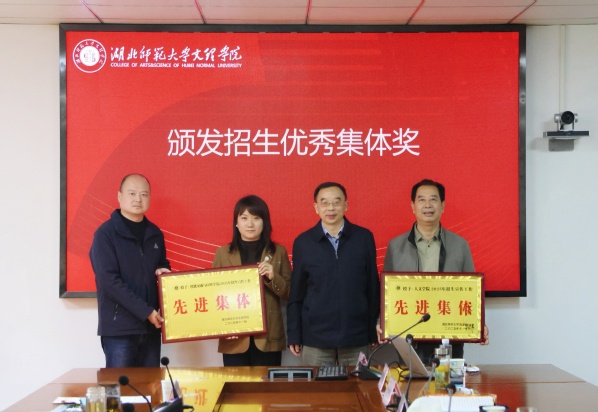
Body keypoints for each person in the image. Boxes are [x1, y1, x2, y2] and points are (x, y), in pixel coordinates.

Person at [382, 179, 489, 364]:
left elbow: (471, 292)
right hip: (409, 334)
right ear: (413, 206)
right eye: (421, 200)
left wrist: (479, 324)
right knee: (411, 381)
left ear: (443, 206)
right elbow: (387, 292)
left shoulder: (460, 244)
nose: (428, 205)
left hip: (449, 335)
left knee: (447, 381)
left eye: (433, 199)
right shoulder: (395, 246)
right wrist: (382, 322)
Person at [287, 182, 380, 366]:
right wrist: (294, 334)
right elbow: (296, 294)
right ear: (316, 207)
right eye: (324, 202)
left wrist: (372, 331)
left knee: (358, 384)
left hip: (356, 337)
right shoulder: (303, 242)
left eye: (336, 202)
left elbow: (372, 288)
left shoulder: (363, 238)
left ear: (346, 205)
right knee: (317, 386)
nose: (331, 208)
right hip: (316, 339)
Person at [89, 174, 171, 368]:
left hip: (151, 328)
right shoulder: (105, 234)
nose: (138, 199)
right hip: (120, 330)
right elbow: (108, 281)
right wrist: (145, 311)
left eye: (144, 194)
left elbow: (162, 265)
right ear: (119, 196)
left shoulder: (155, 233)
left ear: (149, 198)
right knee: (119, 386)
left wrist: (164, 272)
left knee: (150, 386)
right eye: (132, 193)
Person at [212, 195, 292, 366]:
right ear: (236, 223)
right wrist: (222, 327)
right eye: (244, 218)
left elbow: (289, 293)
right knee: (236, 383)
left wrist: (273, 277)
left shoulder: (279, 252)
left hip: (268, 337)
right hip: (234, 337)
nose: (250, 224)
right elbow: (214, 295)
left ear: (264, 222)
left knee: (266, 383)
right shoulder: (222, 253)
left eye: (256, 218)